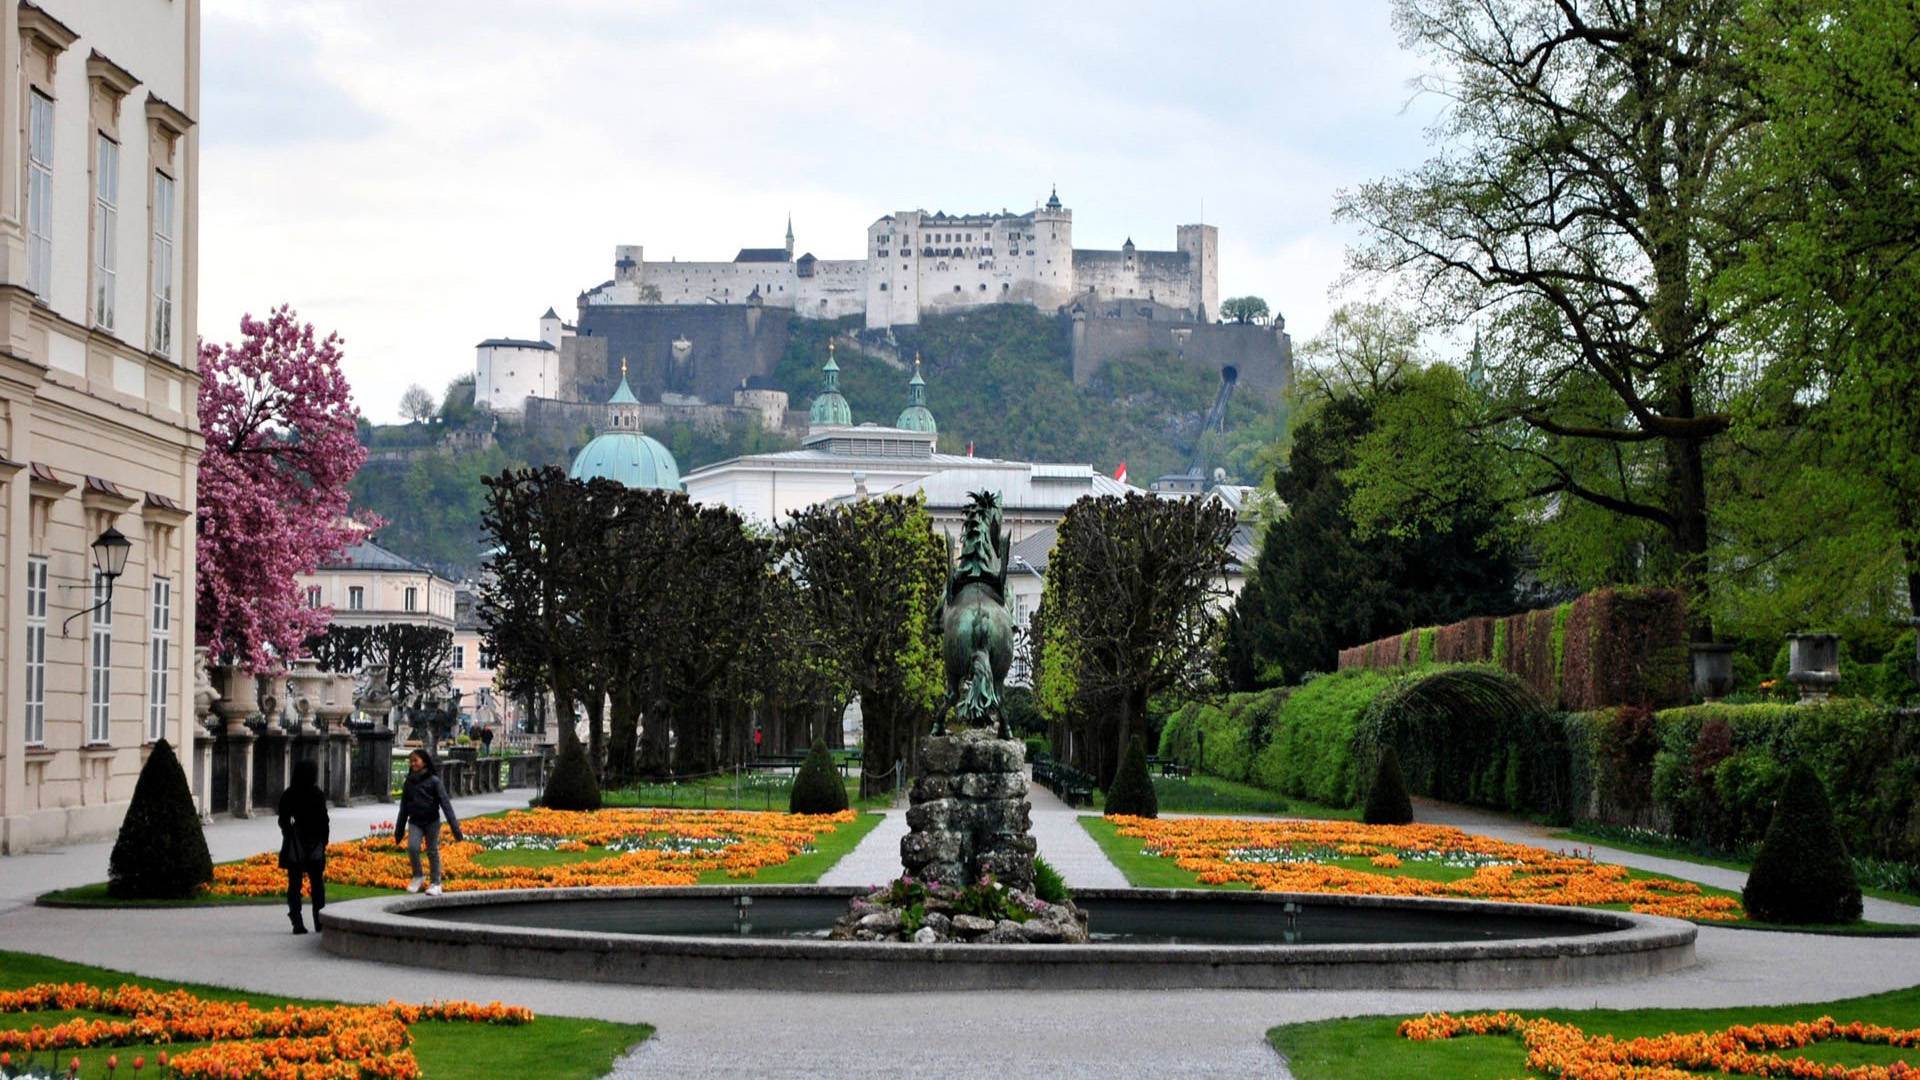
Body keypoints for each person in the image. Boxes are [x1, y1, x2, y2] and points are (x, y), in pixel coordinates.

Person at [395, 748, 463, 895]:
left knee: (432, 851)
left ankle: (436, 883)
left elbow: (446, 805)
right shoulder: (409, 782)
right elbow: (403, 808)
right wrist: (399, 831)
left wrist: (455, 829)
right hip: (415, 821)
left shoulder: (434, 781)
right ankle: (418, 875)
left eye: (416, 760)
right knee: (413, 848)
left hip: (432, 821)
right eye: (411, 761)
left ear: (424, 762)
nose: (413, 764)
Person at [277, 759, 329, 934]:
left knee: (294, 884)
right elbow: (324, 821)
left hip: (296, 842)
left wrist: (290, 832)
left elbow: (283, 820)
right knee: (317, 884)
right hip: (314, 841)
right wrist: (324, 842)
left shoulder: (289, 794)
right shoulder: (317, 794)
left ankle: (297, 921)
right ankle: (319, 920)